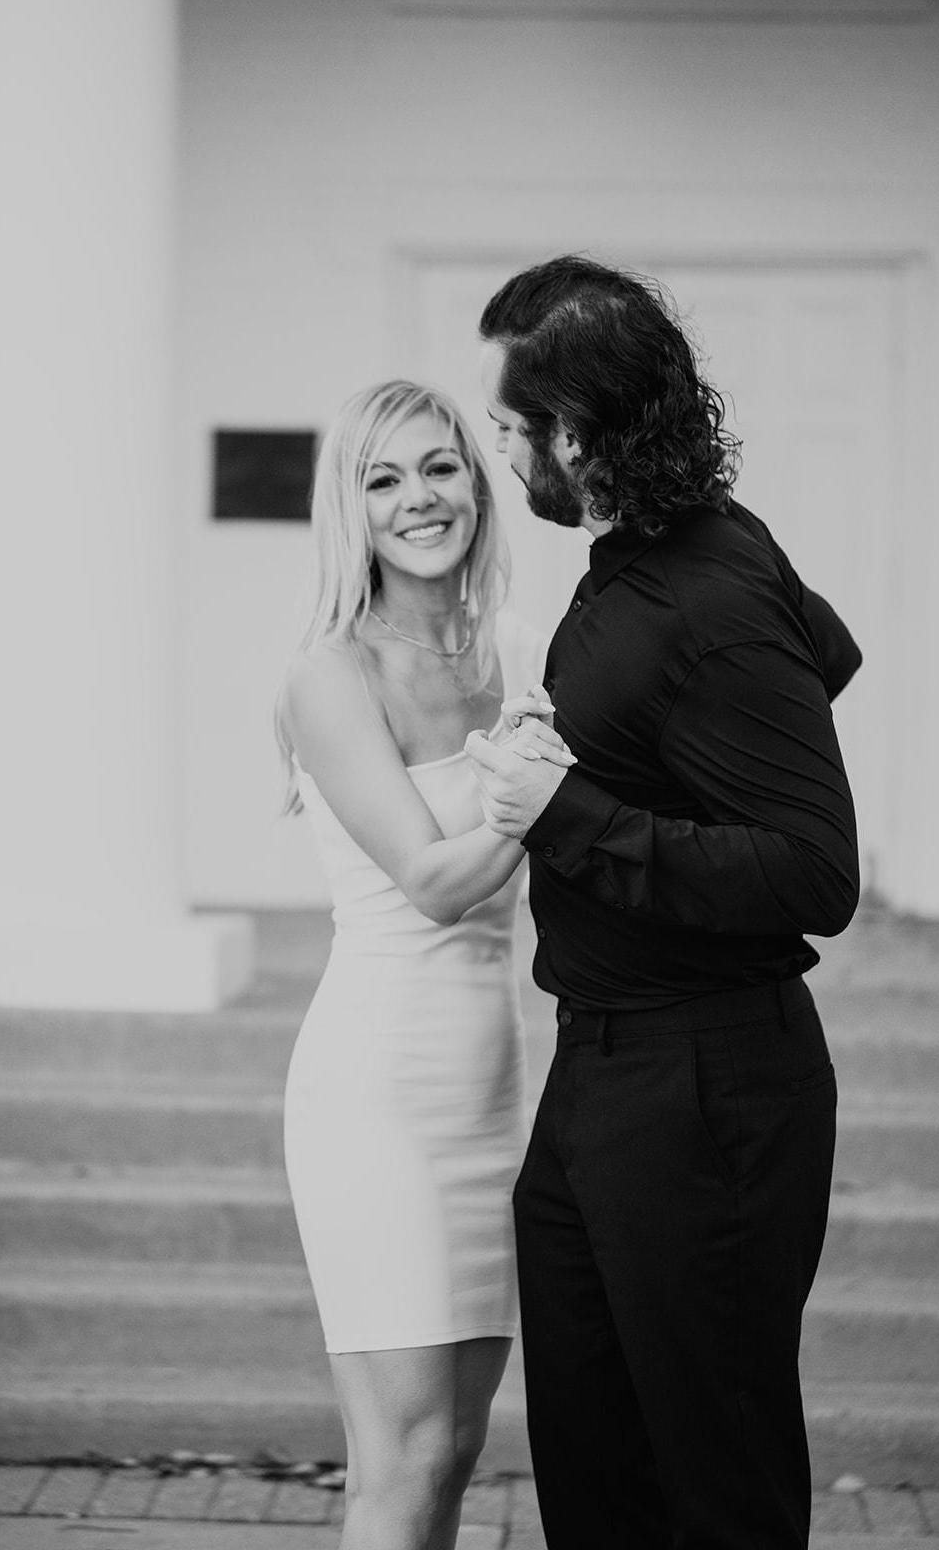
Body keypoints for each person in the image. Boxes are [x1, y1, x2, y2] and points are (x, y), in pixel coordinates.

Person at [464, 256, 864, 1550]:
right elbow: (830, 653)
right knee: (598, 1478)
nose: (499, 447)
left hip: (706, 1087)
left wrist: (567, 808)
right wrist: (633, 751)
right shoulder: (673, 549)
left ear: (577, 433)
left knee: (714, 1493)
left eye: (511, 424)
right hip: (601, 1069)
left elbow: (814, 872)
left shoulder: (711, 592)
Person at [275, 380, 569, 1550]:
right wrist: (548, 786)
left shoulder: (522, 653)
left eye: (439, 467)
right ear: (350, 509)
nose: (419, 499)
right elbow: (436, 884)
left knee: (450, 1450)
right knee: (402, 1456)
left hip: (489, 1090)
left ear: (476, 485)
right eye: (383, 479)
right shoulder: (329, 675)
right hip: (376, 1091)